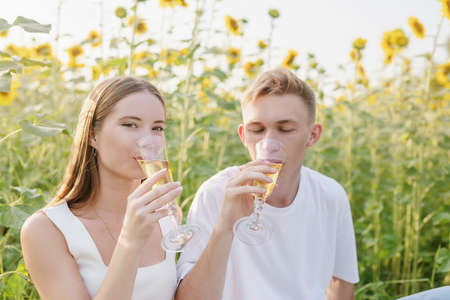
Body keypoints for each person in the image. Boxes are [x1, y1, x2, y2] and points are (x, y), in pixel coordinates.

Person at [175, 67, 359, 300]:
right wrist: (225, 225)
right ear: (243, 136)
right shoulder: (216, 193)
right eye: (257, 130)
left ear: (313, 135)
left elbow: (341, 283)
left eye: (285, 129)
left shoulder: (330, 194)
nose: (269, 143)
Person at [21, 77, 181, 300]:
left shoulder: (166, 215)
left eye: (157, 128)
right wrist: (130, 242)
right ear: (92, 135)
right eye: (130, 124)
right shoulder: (47, 230)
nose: (148, 140)